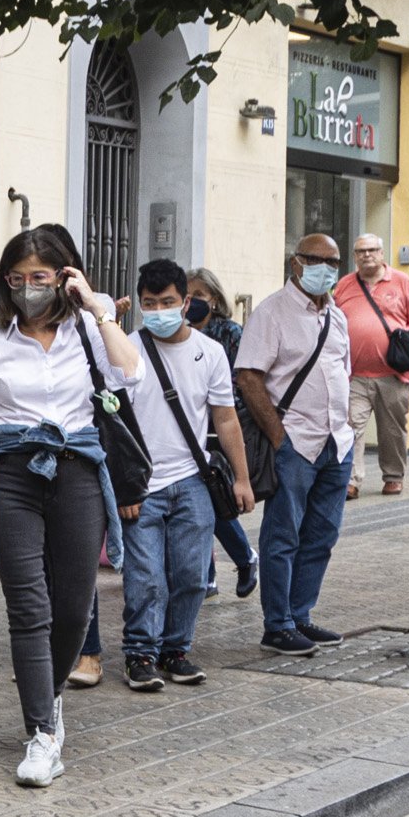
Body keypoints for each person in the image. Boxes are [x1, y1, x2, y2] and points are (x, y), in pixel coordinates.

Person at [0, 225, 134, 787]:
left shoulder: (87, 328)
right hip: (11, 471)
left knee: (76, 607)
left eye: (41, 276)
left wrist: (97, 308)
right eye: (18, 278)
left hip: (77, 468)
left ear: (64, 276)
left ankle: (48, 700)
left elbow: (132, 373)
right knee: (28, 606)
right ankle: (42, 733)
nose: (29, 287)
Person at [117, 259, 253, 691]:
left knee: (194, 575)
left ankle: (176, 650)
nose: (158, 310)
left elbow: (226, 420)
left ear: (187, 301)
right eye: (149, 303)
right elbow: (113, 425)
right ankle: (140, 655)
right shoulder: (125, 349)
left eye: (168, 302)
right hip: (142, 486)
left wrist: (242, 479)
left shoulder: (209, 352)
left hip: (193, 482)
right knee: (145, 578)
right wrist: (123, 486)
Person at [238, 232, 356, 656]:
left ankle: (301, 614)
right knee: (282, 535)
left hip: (336, 442)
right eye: (316, 260)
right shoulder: (272, 312)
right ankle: (278, 624)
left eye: (334, 262)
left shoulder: (336, 316)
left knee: (323, 534)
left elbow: (343, 370)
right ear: (296, 263)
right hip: (296, 442)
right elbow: (248, 375)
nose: (326, 269)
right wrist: (278, 436)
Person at [336, 233, 409, 499]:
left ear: (382, 253)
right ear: (354, 256)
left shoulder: (401, 282)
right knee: (350, 428)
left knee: (392, 430)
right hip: (353, 374)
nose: (367, 255)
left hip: (393, 373)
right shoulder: (344, 285)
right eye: (361, 251)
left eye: (372, 250)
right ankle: (351, 480)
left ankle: (393, 476)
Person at [185, 269, 258, 600]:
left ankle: (243, 557)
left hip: (222, 428)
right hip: (188, 430)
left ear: (213, 299)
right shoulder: (178, 334)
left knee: (213, 500)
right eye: (186, 296)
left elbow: (242, 381)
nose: (192, 303)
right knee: (201, 503)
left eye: (198, 296)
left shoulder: (229, 333)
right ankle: (210, 574)